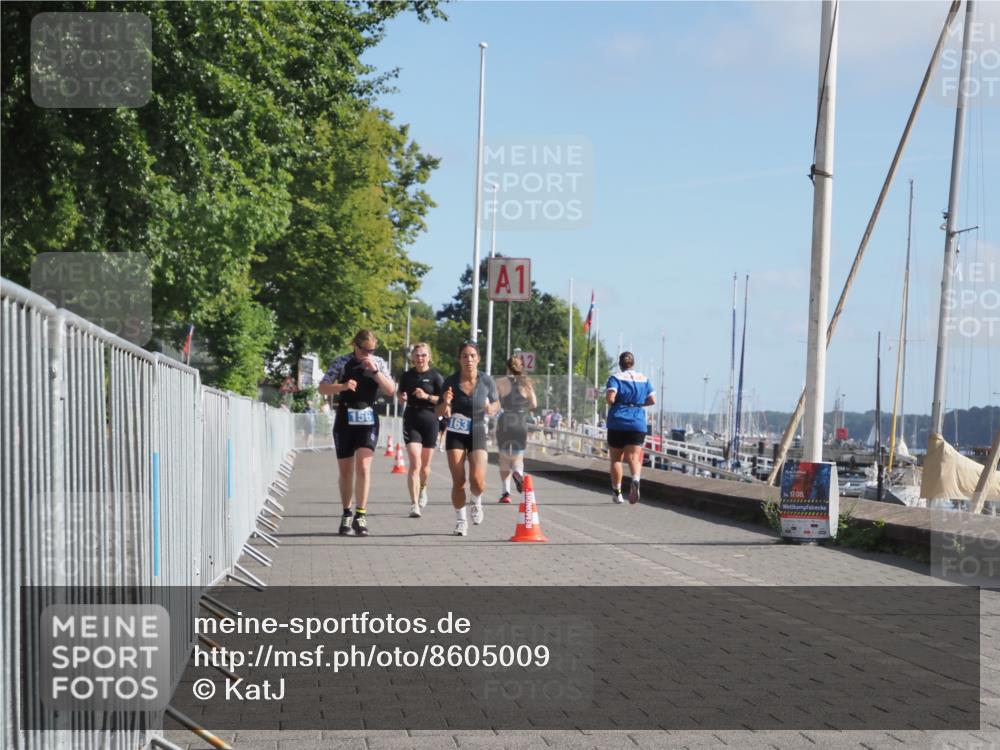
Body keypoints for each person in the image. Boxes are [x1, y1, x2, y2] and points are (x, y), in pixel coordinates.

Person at [318, 330, 395, 536]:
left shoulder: (377, 361)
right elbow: (322, 388)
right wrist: (342, 386)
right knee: (346, 471)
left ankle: (361, 514)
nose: (368, 353)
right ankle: (346, 513)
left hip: (368, 418)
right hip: (345, 418)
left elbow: (391, 389)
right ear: (355, 345)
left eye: (372, 350)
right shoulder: (342, 362)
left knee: (363, 466)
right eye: (365, 350)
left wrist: (376, 372)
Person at [435, 341, 500, 536]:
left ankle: (477, 501)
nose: (469, 359)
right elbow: (438, 411)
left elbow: (497, 403)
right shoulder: (450, 382)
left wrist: (492, 408)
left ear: (478, 359)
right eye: (465, 356)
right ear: (459, 359)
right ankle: (461, 520)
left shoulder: (486, 381)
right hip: (456, 430)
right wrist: (445, 402)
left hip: (478, 429)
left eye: (472, 355)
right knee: (459, 480)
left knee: (478, 481)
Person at [397, 343, 445, 518]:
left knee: (425, 467)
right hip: (411, 419)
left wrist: (426, 396)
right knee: (415, 463)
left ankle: (423, 488)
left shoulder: (436, 377)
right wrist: (400, 396)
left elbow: (444, 400)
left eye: (423, 355)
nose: (420, 358)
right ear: (412, 358)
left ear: (429, 357)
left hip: (431, 421)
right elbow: (400, 392)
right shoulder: (407, 376)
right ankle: (414, 504)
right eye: (417, 355)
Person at [605, 351, 656, 504]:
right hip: (637, 421)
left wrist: (617, 404)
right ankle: (635, 479)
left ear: (620, 364)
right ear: (633, 363)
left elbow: (610, 398)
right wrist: (638, 404)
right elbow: (652, 399)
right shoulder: (644, 379)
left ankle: (617, 493)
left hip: (618, 421)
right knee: (634, 457)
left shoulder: (615, 378)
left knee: (616, 459)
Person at [495, 355, 537, 503]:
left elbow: (494, 402)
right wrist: (523, 405)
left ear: (507, 367)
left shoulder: (500, 382)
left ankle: (506, 493)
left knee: (504, 458)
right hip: (520, 420)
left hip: (505, 420)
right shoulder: (526, 384)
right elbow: (534, 404)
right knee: (518, 457)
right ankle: (518, 473)